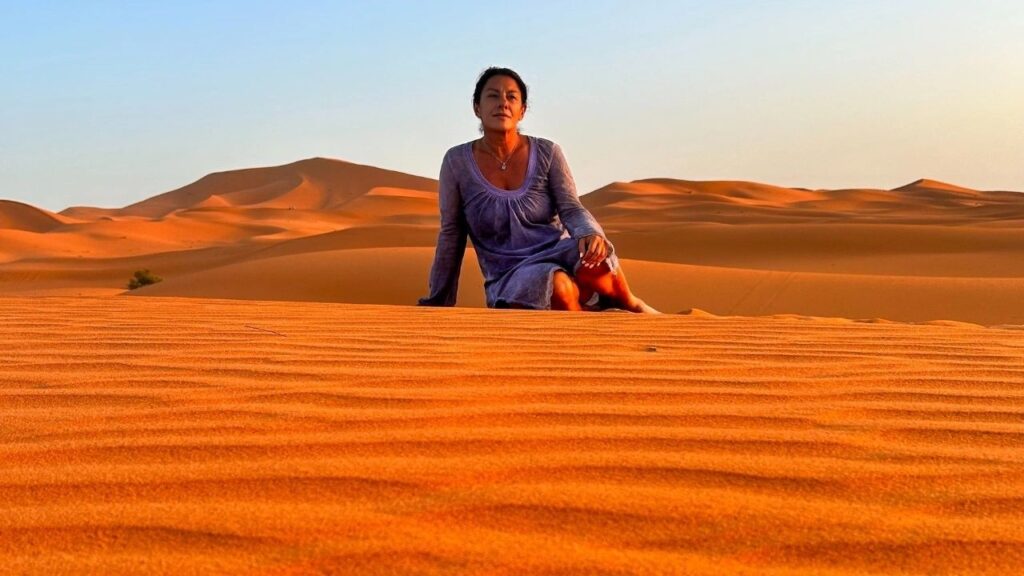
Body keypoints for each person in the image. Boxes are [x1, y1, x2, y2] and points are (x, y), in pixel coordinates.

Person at [418, 67, 658, 313]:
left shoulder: (548, 152)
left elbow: (571, 207)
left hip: (559, 251)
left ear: (522, 110)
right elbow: (452, 234)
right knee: (559, 287)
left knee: (597, 261)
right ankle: (590, 321)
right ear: (477, 107)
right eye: (493, 95)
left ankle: (630, 304)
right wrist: (439, 300)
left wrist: (590, 232)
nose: (502, 103)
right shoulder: (456, 162)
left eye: (511, 97)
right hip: (510, 274)